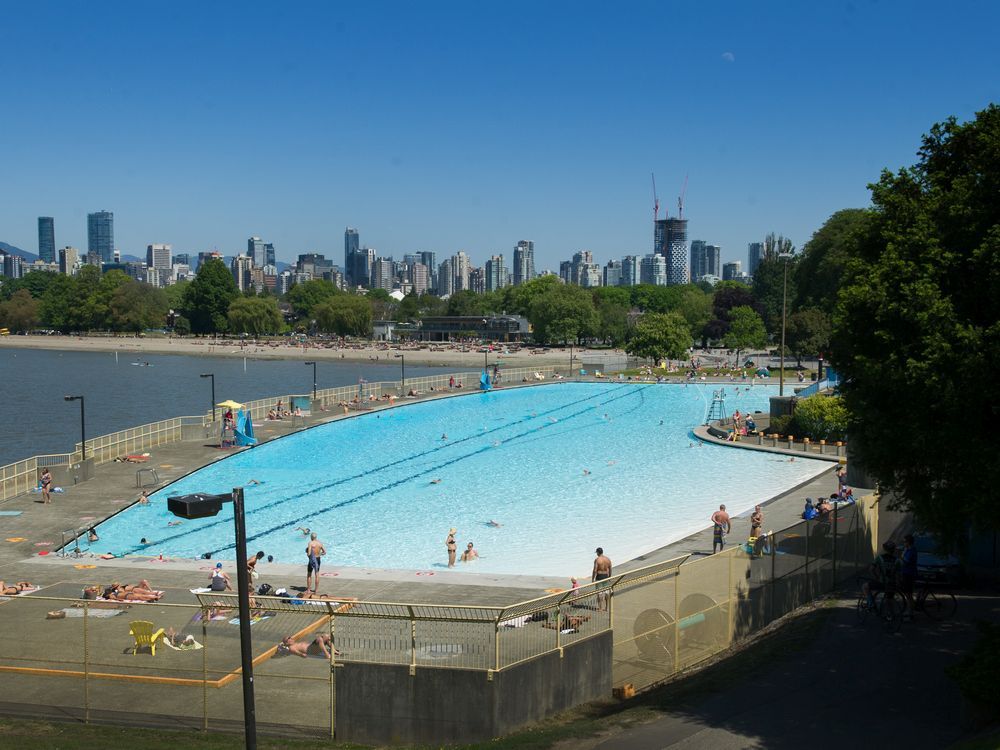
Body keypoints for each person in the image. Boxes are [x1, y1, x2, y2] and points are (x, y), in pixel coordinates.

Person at [863, 541, 902, 609]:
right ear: (893, 550)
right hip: (892, 584)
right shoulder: (897, 560)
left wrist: (876, 577)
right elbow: (899, 574)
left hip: (882, 583)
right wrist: (898, 583)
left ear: (885, 549)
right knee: (889, 599)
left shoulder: (880, 558)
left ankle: (871, 604)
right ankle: (890, 615)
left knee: (865, 587)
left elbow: (871, 569)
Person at [900, 534, 918, 619]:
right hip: (906, 573)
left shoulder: (911, 550)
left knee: (908, 594)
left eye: (904, 542)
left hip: (909, 574)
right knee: (908, 593)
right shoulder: (908, 549)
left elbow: (906, 561)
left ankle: (910, 612)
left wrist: (902, 555)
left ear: (908, 542)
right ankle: (910, 610)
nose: (903, 543)